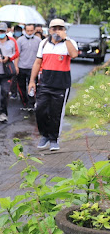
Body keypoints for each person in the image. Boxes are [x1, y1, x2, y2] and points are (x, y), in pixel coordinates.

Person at [28, 19, 78, 152]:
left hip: (61, 85)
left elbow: (74, 54)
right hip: (44, 83)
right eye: (54, 28)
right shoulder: (44, 43)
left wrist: (65, 38)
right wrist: (32, 81)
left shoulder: (69, 43)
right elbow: (38, 63)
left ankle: (54, 139)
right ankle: (44, 135)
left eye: (60, 28)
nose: (57, 31)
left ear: (64, 30)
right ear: (49, 30)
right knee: (40, 110)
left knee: (56, 113)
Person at [16, 23, 42, 111]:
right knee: (21, 86)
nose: (29, 33)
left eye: (31, 31)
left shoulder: (38, 40)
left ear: (34, 30)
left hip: (33, 67)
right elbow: (17, 54)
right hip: (22, 66)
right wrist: (16, 66)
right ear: (25, 31)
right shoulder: (20, 40)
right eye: (28, 31)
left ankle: (31, 103)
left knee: (32, 86)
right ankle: (24, 103)